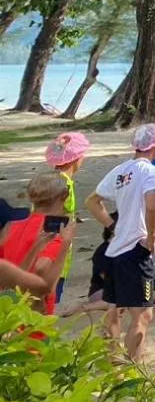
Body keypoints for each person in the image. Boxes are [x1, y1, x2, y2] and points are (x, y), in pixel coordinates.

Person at [85, 124, 155, 359]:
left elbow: (92, 201)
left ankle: (113, 364)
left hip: (115, 249)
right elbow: (152, 206)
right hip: (135, 249)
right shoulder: (149, 171)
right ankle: (133, 367)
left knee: (113, 308)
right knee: (142, 314)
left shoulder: (120, 170)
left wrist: (112, 225)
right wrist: (151, 237)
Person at [0, 172, 75, 316]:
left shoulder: (10, 226)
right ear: (64, 195)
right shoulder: (54, 232)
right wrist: (65, 244)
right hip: (33, 314)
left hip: (7, 308)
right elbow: (42, 266)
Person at [44, 130, 91, 303]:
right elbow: (51, 219)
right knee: (49, 300)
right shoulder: (63, 183)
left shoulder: (54, 179)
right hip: (54, 252)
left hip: (54, 249)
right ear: (76, 159)